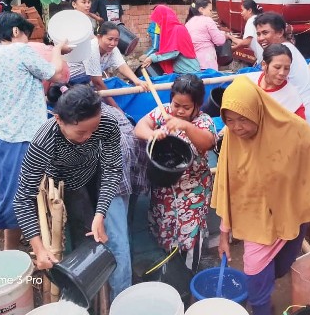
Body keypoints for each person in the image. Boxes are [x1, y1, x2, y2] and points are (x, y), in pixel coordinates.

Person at [212, 76, 310, 315]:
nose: (237, 127)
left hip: (289, 215)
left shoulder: (294, 131)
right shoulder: (232, 140)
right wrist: (224, 235)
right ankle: (263, 307)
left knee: (280, 267)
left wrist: (300, 199)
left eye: (243, 119)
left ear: (257, 111)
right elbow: (228, 188)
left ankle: (266, 298)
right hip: (254, 221)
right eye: (230, 120)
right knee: (255, 279)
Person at [0, 12, 68, 270]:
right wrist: (58, 49)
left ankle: (10, 255)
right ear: (16, 32)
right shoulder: (20, 52)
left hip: (4, 138)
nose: (28, 41)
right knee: (7, 208)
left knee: (16, 204)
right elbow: (55, 74)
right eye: (27, 35)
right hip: (19, 140)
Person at [14, 86, 123, 271]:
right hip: (63, 183)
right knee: (77, 231)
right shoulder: (44, 141)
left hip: (94, 171)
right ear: (59, 120)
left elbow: (112, 168)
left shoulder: (108, 123)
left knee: (104, 226)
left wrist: (100, 213)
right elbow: (23, 198)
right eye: (81, 132)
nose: (89, 137)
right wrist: (39, 249)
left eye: (93, 130)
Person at [43, 85, 132, 301]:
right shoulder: (57, 132)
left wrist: (99, 214)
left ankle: (120, 301)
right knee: (89, 233)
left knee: (115, 240)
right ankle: (88, 298)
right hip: (84, 178)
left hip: (113, 176)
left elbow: (111, 173)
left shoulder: (105, 126)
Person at [254, 11, 310, 248]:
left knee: (308, 190)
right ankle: (309, 244)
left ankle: (309, 245)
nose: (260, 38)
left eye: (266, 32)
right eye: (258, 33)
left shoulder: (283, 59)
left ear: (280, 32)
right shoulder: (289, 54)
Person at [134, 74, 216, 270]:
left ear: (198, 105)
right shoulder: (162, 112)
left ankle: (189, 274)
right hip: (164, 191)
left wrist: (186, 126)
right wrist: (153, 134)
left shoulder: (204, 122)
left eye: (186, 107)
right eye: (176, 104)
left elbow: (207, 142)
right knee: (165, 234)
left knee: (190, 239)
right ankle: (169, 271)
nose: (179, 111)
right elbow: (139, 127)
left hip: (192, 194)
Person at [67, 22, 148, 102]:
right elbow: (98, 83)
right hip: (65, 83)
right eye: (110, 39)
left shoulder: (113, 49)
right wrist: (117, 110)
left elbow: (122, 66)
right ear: (99, 37)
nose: (113, 43)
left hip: (81, 84)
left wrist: (137, 81)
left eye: (116, 40)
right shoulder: (91, 49)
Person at [245, 43, 305, 118]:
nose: (282, 73)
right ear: (264, 65)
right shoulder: (249, 82)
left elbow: (300, 127)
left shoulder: (292, 98)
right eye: (277, 67)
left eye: (286, 68)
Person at [141, 5, 200, 74]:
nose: (158, 25)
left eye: (158, 22)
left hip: (190, 71)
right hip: (180, 72)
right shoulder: (168, 32)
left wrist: (152, 58)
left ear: (163, 19)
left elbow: (173, 52)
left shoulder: (178, 29)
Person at [185, 0, 227, 71]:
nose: (211, 13)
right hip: (207, 61)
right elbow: (219, 41)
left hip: (193, 63)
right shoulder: (207, 20)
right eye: (210, 10)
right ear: (201, 9)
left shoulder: (188, 23)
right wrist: (224, 35)